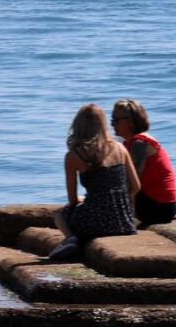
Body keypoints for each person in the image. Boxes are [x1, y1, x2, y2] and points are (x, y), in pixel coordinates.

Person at [51, 103, 140, 260]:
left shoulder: (74, 156)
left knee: (60, 214)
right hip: (124, 222)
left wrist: (82, 200)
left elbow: (72, 200)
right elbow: (135, 186)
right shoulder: (120, 148)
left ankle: (70, 238)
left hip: (94, 223)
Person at [110, 98, 176, 226]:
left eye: (115, 120)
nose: (112, 125)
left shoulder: (140, 144)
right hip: (163, 204)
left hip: (160, 207)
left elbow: (132, 182)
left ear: (130, 122)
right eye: (111, 120)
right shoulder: (130, 143)